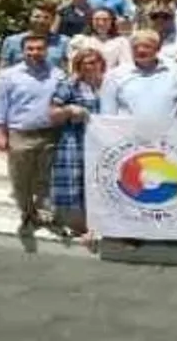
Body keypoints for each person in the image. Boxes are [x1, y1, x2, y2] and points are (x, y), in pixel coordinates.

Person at [0, 35, 73, 236]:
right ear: (23, 51)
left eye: (39, 49)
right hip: (20, 133)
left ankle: (44, 215)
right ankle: (27, 214)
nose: (35, 53)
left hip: (51, 133)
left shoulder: (58, 75)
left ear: (46, 51)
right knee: (20, 178)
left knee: (46, 178)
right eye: (30, 49)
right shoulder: (8, 76)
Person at [49, 47, 104, 239]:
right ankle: (75, 225)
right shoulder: (69, 85)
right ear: (78, 65)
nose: (92, 66)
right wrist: (69, 110)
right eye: (87, 63)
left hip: (100, 140)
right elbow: (52, 113)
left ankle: (97, 224)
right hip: (75, 138)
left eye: (95, 62)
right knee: (75, 179)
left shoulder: (106, 84)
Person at [98, 30, 177, 126]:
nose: (140, 50)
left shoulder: (176, 71)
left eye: (147, 46)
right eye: (135, 47)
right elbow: (108, 115)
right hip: (130, 134)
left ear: (158, 48)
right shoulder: (115, 76)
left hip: (169, 134)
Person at [0, 3, 70, 70]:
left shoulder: (64, 42)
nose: (41, 21)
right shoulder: (12, 41)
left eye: (46, 17)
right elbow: (3, 69)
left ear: (52, 20)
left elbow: (68, 69)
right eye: (37, 17)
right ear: (29, 18)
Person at [149, 3, 177, 69]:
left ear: (173, 19)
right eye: (155, 16)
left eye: (165, 16)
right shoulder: (142, 41)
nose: (160, 20)